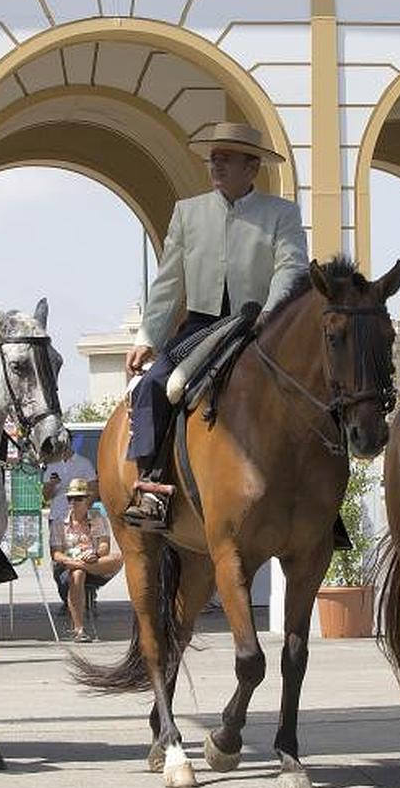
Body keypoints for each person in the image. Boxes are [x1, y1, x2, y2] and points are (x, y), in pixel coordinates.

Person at [123, 122, 308, 528]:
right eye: (214, 157)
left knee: (313, 392)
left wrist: (269, 314)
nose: (216, 164)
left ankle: (317, 503)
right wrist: (147, 337)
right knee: (155, 386)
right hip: (202, 328)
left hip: (261, 327)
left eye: (227, 157)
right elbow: (169, 281)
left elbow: (291, 270)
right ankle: (151, 487)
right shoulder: (187, 213)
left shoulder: (282, 214)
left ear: (252, 166)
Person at [50, 478, 123, 642]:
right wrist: (75, 563)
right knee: (77, 574)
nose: (74, 502)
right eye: (71, 498)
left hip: (94, 563)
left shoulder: (97, 518)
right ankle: (79, 629)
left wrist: (95, 554)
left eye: (78, 498)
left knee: (119, 558)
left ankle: (84, 566)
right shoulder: (59, 522)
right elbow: (56, 554)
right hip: (68, 567)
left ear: (87, 500)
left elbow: (105, 546)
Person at [43, 446, 96, 533]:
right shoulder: (50, 465)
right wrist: (52, 484)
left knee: (82, 545)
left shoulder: (84, 463)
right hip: (56, 517)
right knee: (58, 545)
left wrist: (82, 512)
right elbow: (46, 497)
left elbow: (94, 490)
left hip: (80, 519)